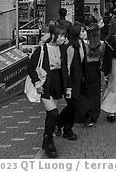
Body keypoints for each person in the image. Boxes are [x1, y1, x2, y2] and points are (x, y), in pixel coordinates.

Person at [27, 23, 68, 158]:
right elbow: (31, 67)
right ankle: (48, 140)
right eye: (61, 35)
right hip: (45, 84)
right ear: (54, 36)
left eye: (64, 35)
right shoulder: (42, 50)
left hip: (57, 83)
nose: (63, 38)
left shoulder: (63, 48)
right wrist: (37, 83)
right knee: (54, 113)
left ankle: (46, 139)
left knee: (51, 115)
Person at [56, 23, 87, 139]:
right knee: (72, 105)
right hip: (71, 81)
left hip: (78, 79)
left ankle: (63, 126)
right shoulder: (71, 47)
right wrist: (68, 85)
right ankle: (63, 126)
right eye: (82, 31)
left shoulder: (81, 44)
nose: (84, 33)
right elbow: (67, 67)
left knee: (74, 105)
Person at [75, 18, 102, 127]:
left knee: (84, 93)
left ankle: (84, 114)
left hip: (84, 69)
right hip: (95, 69)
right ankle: (93, 115)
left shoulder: (82, 45)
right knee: (95, 94)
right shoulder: (100, 44)